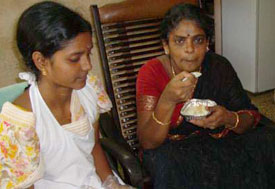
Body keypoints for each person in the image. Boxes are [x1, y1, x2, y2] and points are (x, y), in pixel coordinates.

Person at [136, 3, 275, 189]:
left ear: (207, 43)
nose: (190, 49)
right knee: (170, 166)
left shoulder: (219, 67)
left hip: (216, 138)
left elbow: (250, 116)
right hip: (172, 148)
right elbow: (148, 142)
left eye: (198, 40)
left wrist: (227, 118)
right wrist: (167, 100)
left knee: (265, 139)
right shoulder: (151, 72)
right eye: (179, 41)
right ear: (165, 46)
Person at [0, 1, 134, 189]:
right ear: (41, 62)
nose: (87, 65)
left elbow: (93, 147)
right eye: (74, 59)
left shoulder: (89, 90)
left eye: (89, 54)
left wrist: (111, 182)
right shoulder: (21, 121)